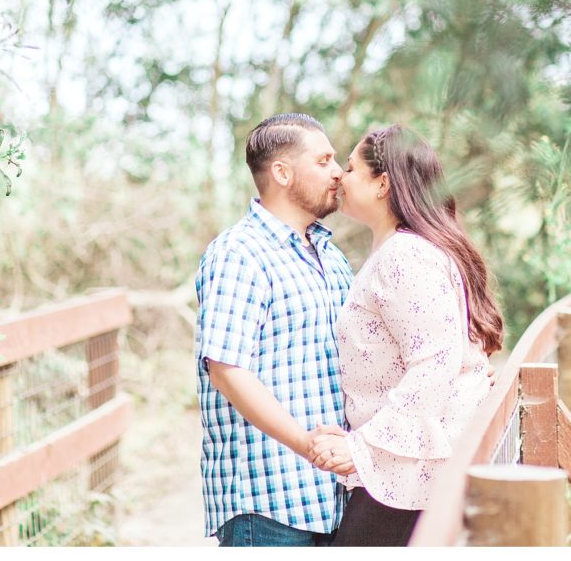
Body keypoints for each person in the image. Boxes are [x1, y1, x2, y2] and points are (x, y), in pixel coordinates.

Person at [308, 124, 505, 546]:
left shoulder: (405, 257)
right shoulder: (400, 252)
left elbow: (436, 360)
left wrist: (364, 447)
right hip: (405, 467)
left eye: (351, 167)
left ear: (383, 184)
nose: (341, 176)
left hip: (410, 474)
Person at [194, 113, 353, 546]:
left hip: (335, 497)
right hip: (269, 503)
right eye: (324, 161)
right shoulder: (239, 254)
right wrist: (306, 444)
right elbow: (227, 368)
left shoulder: (330, 256)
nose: (339, 172)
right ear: (282, 173)